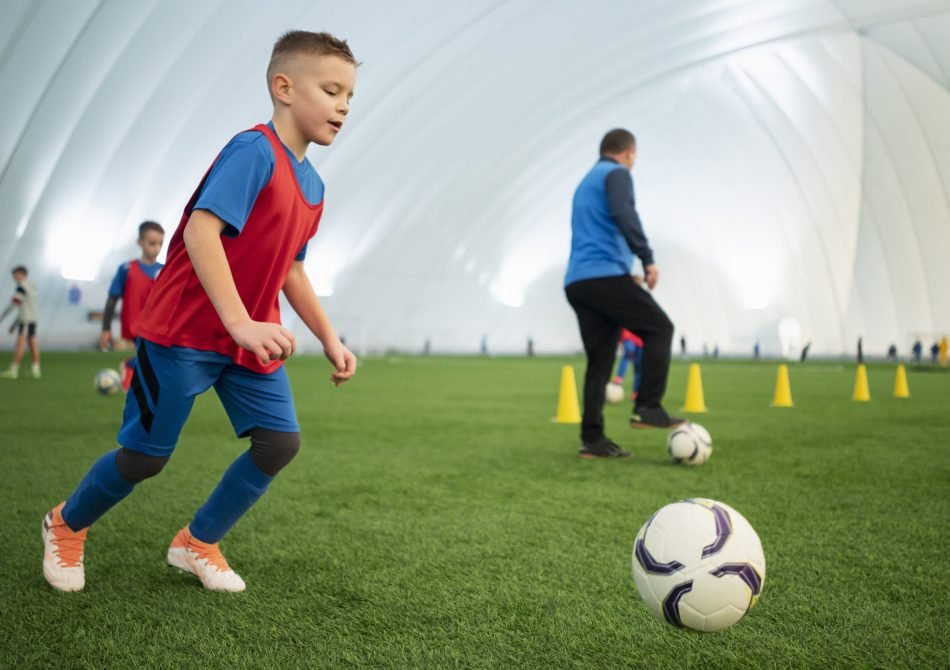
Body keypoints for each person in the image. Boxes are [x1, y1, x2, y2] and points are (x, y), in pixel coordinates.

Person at [41, 31, 358, 593]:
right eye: (331, 90)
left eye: (349, 96)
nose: (342, 106)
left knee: (280, 444)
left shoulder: (313, 186)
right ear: (283, 87)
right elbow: (201, 231)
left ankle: (197, 541)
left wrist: (330, 339)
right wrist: (239, 320)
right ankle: (65, 524)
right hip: (183, 333)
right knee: (145, 458)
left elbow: (291, 269)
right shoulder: (253, 150)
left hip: (249, 339)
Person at [564, 128, 683, 459]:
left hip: (579, 282)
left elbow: (596, 233)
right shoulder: (616, 174)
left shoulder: (586, 181)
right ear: (629, 153)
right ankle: (647, 406)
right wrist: (647, 258)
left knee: (600, 362)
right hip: (603, 277)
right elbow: (623, 214)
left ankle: (593, 439)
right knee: (660, 328)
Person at [99, 221, 166, 389]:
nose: (156, 248)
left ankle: (131, 366)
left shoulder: (165, 270)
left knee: (156, 358)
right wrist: (106, 329)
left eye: (160, 244)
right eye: (152, 243)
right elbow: (112, 299)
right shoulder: (126, 268)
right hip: (135, 324)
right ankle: (131, 368)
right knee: (152, 356)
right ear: (140, 242)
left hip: (159, 324)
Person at [0, 265, 40, 379]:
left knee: (20, 344)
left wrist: (2, 316)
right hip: (32, 318)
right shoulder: (32, 286)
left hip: (26, 320)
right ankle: (35, 370)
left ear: (22, 274)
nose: (14, 278)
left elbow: (14, 304)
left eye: (15, 275)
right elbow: (24, 307)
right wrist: (15, 323)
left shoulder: (21, 287)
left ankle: (14, 370)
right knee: (32, 343)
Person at [612, 329, 643, 402]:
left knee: (638, 367)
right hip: (628, 333)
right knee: (628, 352)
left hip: (641, 338)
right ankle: (619, 377)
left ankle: (636, 392)